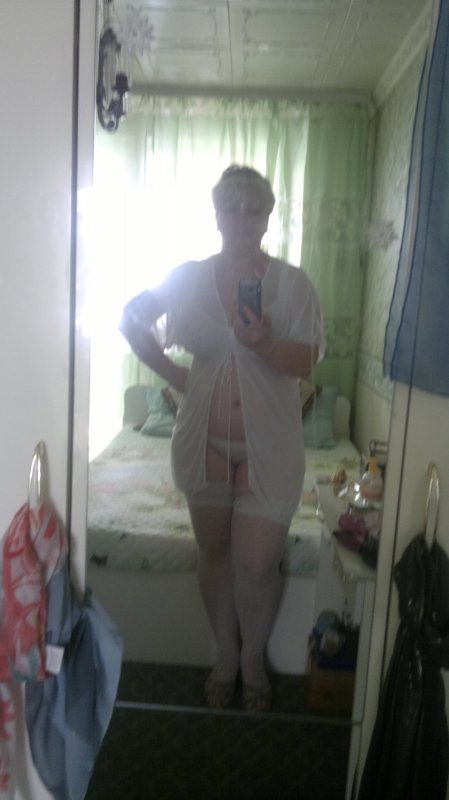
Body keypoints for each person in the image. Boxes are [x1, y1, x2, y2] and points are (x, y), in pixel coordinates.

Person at [119, 165, 325, 713]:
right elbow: (131, 318)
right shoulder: (186, 277)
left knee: (257, 563)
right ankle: (225, 656)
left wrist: (264, 345)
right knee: (213, 552)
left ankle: (254, 659)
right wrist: (173, 373)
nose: (241, 217)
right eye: (230, 207)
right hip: (202, 438)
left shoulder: (293, 284)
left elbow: (307, 360)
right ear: (214, 215)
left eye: (253, 208)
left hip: (270, 444)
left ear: (268, 217)